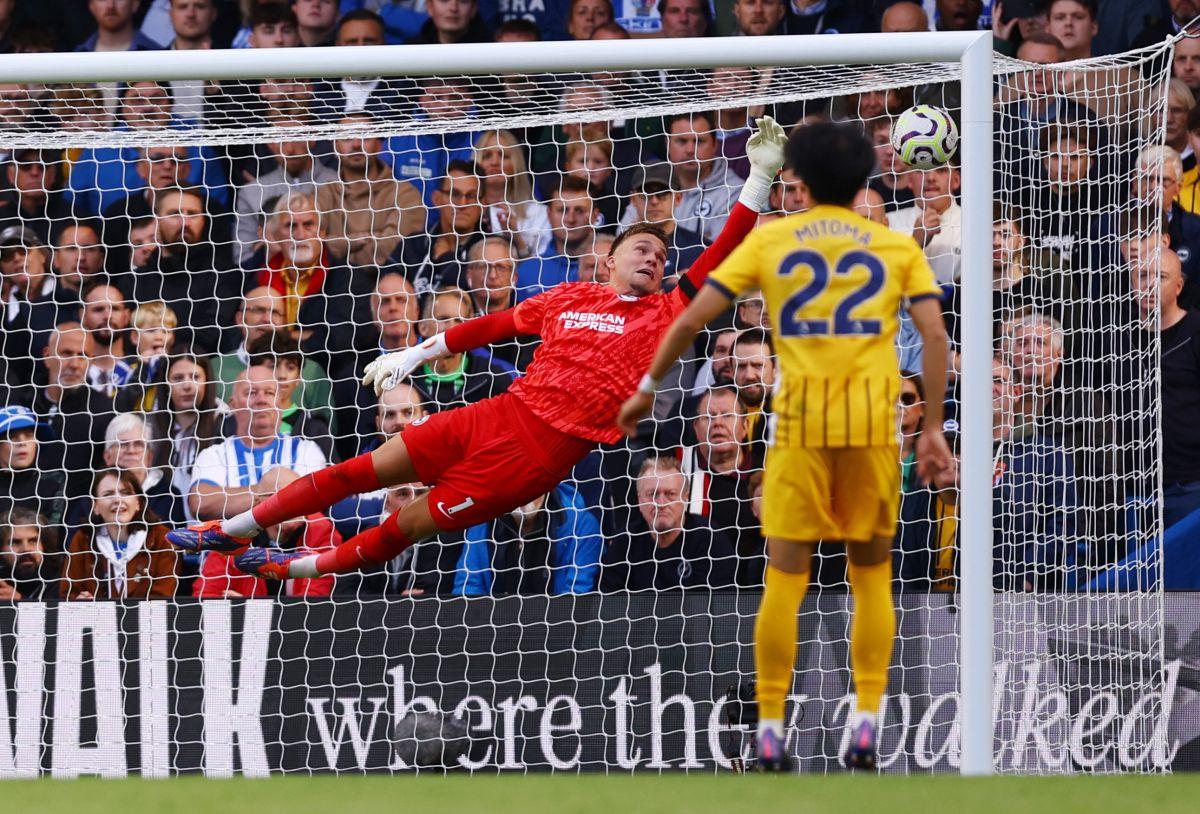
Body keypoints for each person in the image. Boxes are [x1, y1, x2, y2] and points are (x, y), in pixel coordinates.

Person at [165, 117, 786, 597]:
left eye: (659, 253)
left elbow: (726, 249)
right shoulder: (569, 294)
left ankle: (286, 562)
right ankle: (229, 533)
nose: (652, 258)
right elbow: (487, 326)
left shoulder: (666, 310)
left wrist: (758, 179)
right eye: (641, 248)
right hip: (495, 414)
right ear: (610, 260)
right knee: (361, 471)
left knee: (403, 526)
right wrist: (412, 355)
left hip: (535, 458)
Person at [616, 121, 951, 771]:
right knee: (870, 576)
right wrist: (932, 427)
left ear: (797, 177)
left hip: (799, 429)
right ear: (863, 181)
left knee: (786, 578)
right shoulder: (892, 247)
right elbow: (935, 341)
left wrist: (648, 385)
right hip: (871, 427)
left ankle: (770, 724)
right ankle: (866, 718)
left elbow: (690, 315)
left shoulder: (773, 239)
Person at [186, 364, 328, 523]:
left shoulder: (306, 450)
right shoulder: (214, 454)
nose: (261, 400)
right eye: (251, 393)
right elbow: (202, 504)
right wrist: (267, 490)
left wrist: (239, 499)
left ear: (280, 403)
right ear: (233, 405)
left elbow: (310, 500)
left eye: (269, 393)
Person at [409, 483, 602, 595]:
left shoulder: (581, 525)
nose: (523, 490)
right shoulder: (482, 523)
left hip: (558, 638)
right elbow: (468, 587)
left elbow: (576, 594)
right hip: (493, 636)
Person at [193, 469, 340, 598]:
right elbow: (205, 595)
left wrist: (249, 607)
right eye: (287, 496)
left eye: (303, 495)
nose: (298, 504)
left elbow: (315, 601)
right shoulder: (233, 535)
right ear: (260, 503)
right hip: (243, 629)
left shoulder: (322, 531)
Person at [599, 456, 737, 591]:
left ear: (685, 498)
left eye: (670, 494)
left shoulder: (710, 539)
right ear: (640, 501)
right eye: (652, 494)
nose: (661, 503)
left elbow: (720, 606)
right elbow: (608, 602)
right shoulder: (624, 542)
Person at [314, 113, 426, 268]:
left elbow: (392, 250)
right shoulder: (323, 194)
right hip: (330, 287)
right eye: (347, 137)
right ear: (335, 147)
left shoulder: (405, 195)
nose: (356, 144)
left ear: (379, 145)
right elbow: (311, 245)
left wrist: (339, 246)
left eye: (365, 137)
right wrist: (362, 239)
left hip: (385, 287)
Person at [61, 469, 178, 600]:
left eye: (126, 493)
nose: (117, 499)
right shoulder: (83, 539)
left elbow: (163, 598)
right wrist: (80, 602)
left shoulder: (162, 538)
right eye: (108, 494)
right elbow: (69, 593)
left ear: (138, 502)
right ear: (95, 506)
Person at [101, 412, 185, 525]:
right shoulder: (91, 498)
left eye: (139, 444)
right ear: (108, 457)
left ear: (150, 457)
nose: (131, 450)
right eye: (123, 444)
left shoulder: (169, 497)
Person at [0, 405, 64, 525]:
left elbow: (53, 535)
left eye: (29, 435)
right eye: (12, 437)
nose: (22, 443)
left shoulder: (54, 482)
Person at [0, 506, 59, 601]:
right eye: (15, 542)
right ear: (1, 549)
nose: (26, 549)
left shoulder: (60, 578)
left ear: (43, 545)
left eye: (33, 541)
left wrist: (19, 600)